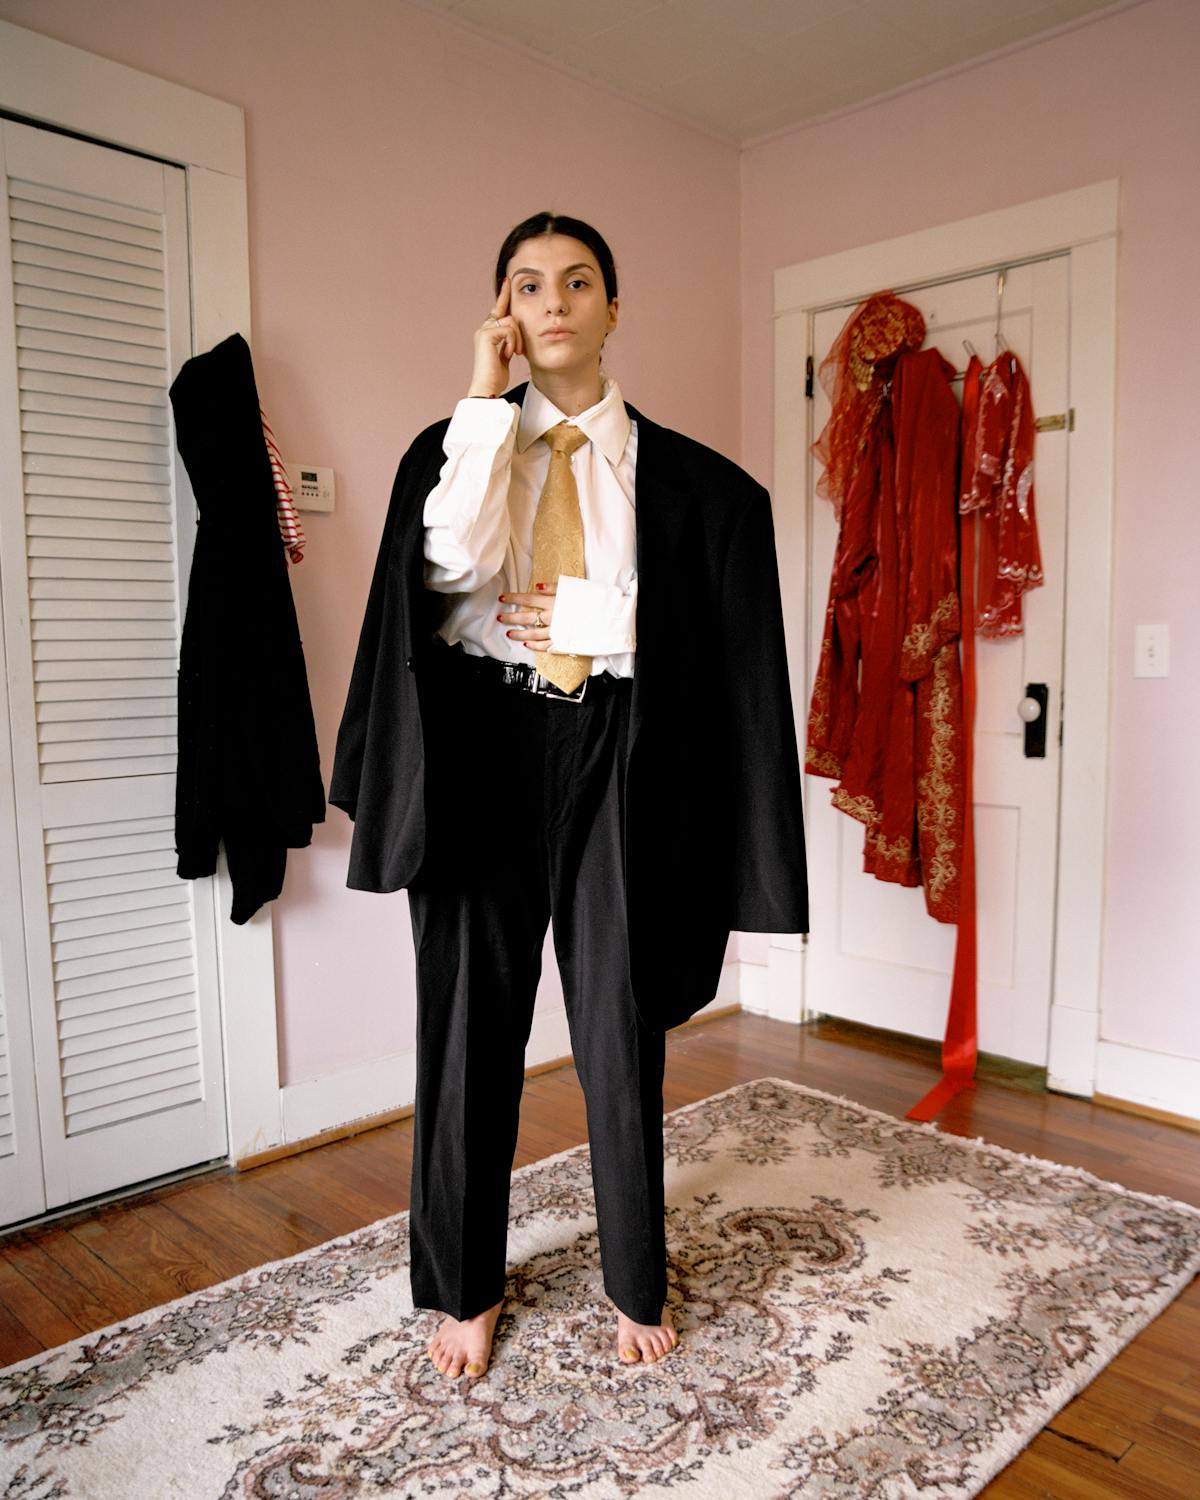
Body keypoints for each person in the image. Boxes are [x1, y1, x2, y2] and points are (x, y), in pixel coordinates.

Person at [330, 212, 808, 1382]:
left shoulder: (699, 486)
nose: (553, 302)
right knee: (465, 1029)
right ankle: (465, 1287)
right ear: (504, 307)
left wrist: (608, 619)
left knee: (618, 1025)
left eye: (578, 281)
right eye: (528, 284)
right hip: (478, 750)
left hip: (619, 751)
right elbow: (447, 570)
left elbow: (715, 648)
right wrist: (480, 402)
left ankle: (633, 1275)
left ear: (611, 307)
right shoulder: (454, 447)